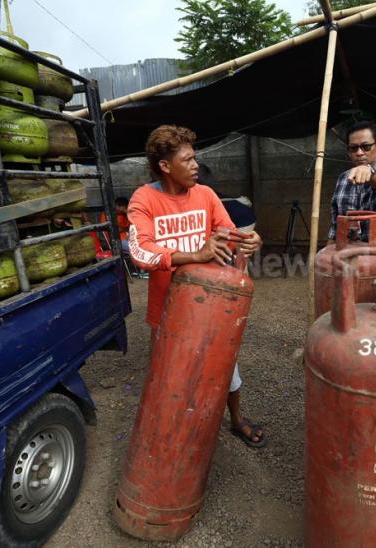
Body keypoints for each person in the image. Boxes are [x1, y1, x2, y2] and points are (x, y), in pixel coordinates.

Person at [127, 124, 267, 448]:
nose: (195, 166)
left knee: (225, 368)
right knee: (170, 377)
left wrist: (249, 240)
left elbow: (231, 234)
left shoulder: (205, 195)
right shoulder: (144, 199)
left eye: (195, 158)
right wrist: (195, 254)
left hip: (211, 308)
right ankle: (173, 434)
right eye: (188, 160)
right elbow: (139, 251)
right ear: (165, 166)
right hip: (167, 311)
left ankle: (236, 420)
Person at [328, 120, 376, 248]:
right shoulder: (342, 179)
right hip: (347, 259)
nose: (359, 153)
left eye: (366, 147)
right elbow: (335, 228)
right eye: (353, 148)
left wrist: (370, 171)